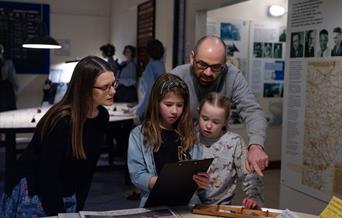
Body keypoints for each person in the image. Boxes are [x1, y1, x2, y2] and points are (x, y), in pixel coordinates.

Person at [1, 56, 116, 216]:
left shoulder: (102, 116)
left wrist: (79, 208)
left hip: (66, 189)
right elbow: (47, 176)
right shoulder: (61, 120)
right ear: (85, 88)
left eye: (113, 84)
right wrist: (58, 213)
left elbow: (87, 169)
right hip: (35, 193)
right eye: (105, 87)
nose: (113, 91)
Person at [171, 35, 268, 176]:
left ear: (224, 64)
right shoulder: (177, 76)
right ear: (192, 58)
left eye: (216, 67)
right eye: (202, 65)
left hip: (216, 155)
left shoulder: (233, 76)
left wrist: (256, 146)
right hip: (179, 149)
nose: (208, 72)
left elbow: (252, 110)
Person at [127, 73, 209, 207]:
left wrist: (201, 182)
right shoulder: (139, 135)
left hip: (187, 203)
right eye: (168, 104)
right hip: (154, 203)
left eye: (180, 105)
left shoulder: (190, 133)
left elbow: (196, 171)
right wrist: (163, 183)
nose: (175, 111)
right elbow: (137, 175)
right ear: (156, 103)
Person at [193, 92, 263, 209]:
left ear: (225, 121)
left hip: (221, 207)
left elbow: (249, 175)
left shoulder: (234, 142)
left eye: (216, 122)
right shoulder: (190, 138)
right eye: (205, 119)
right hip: (189, 205)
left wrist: (253, 197)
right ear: (198, 113)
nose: (208, 125)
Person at [136, 39, 166, 119]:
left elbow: (149, 91)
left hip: (149, 108)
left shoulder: (151, 66)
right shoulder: (161, 65)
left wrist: (139, 111)